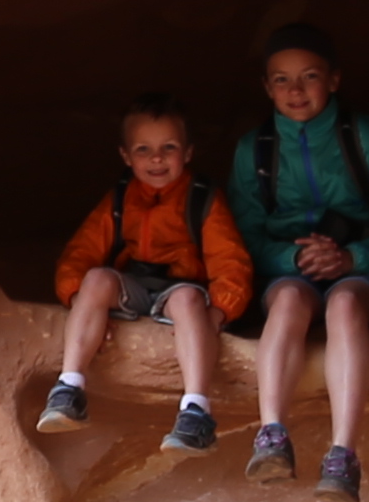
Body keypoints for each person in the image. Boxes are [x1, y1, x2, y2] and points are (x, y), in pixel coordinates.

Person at [226, 23, 369, 499]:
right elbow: (239, 240)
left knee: (344, 307)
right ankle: (272, 433)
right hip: (288, 272)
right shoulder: (256, 150)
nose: (295, 90)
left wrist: (354, 257)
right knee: (290, 302)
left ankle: (343, 454)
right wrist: (293, 257)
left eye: (309, 76)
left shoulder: (363, 135)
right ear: (266, 87)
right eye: (281, 79)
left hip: (361, 269)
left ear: (334, 80)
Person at [40, 96, 253, 450]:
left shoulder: (202, 198)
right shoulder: (122, 197)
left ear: (187, 153)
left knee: (186, 300)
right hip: (134, 284)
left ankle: (196, 410)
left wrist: (219, 312)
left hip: (182, 288)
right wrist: (82, 302)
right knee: (95, 279)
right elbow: (80, 253)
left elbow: (231, 261)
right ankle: (69, 387)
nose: (156, 159)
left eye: (168, 147)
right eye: (144, 149)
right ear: (126, 155)